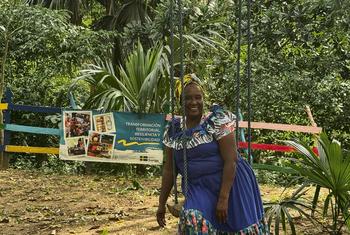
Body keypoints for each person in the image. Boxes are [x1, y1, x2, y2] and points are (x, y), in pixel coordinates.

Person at [156, 74, 269, 234]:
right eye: (187, 98)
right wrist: (161, 204)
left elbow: (231, 160)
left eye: (198, 97)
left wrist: (223, 199)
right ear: (179, 101)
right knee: (192, 219)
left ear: (203, 99)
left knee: (237, 229)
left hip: (230, 182)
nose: (193, 102)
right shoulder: (173, 130)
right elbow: (169, 170)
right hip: (198, 187)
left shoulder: (216, 121)